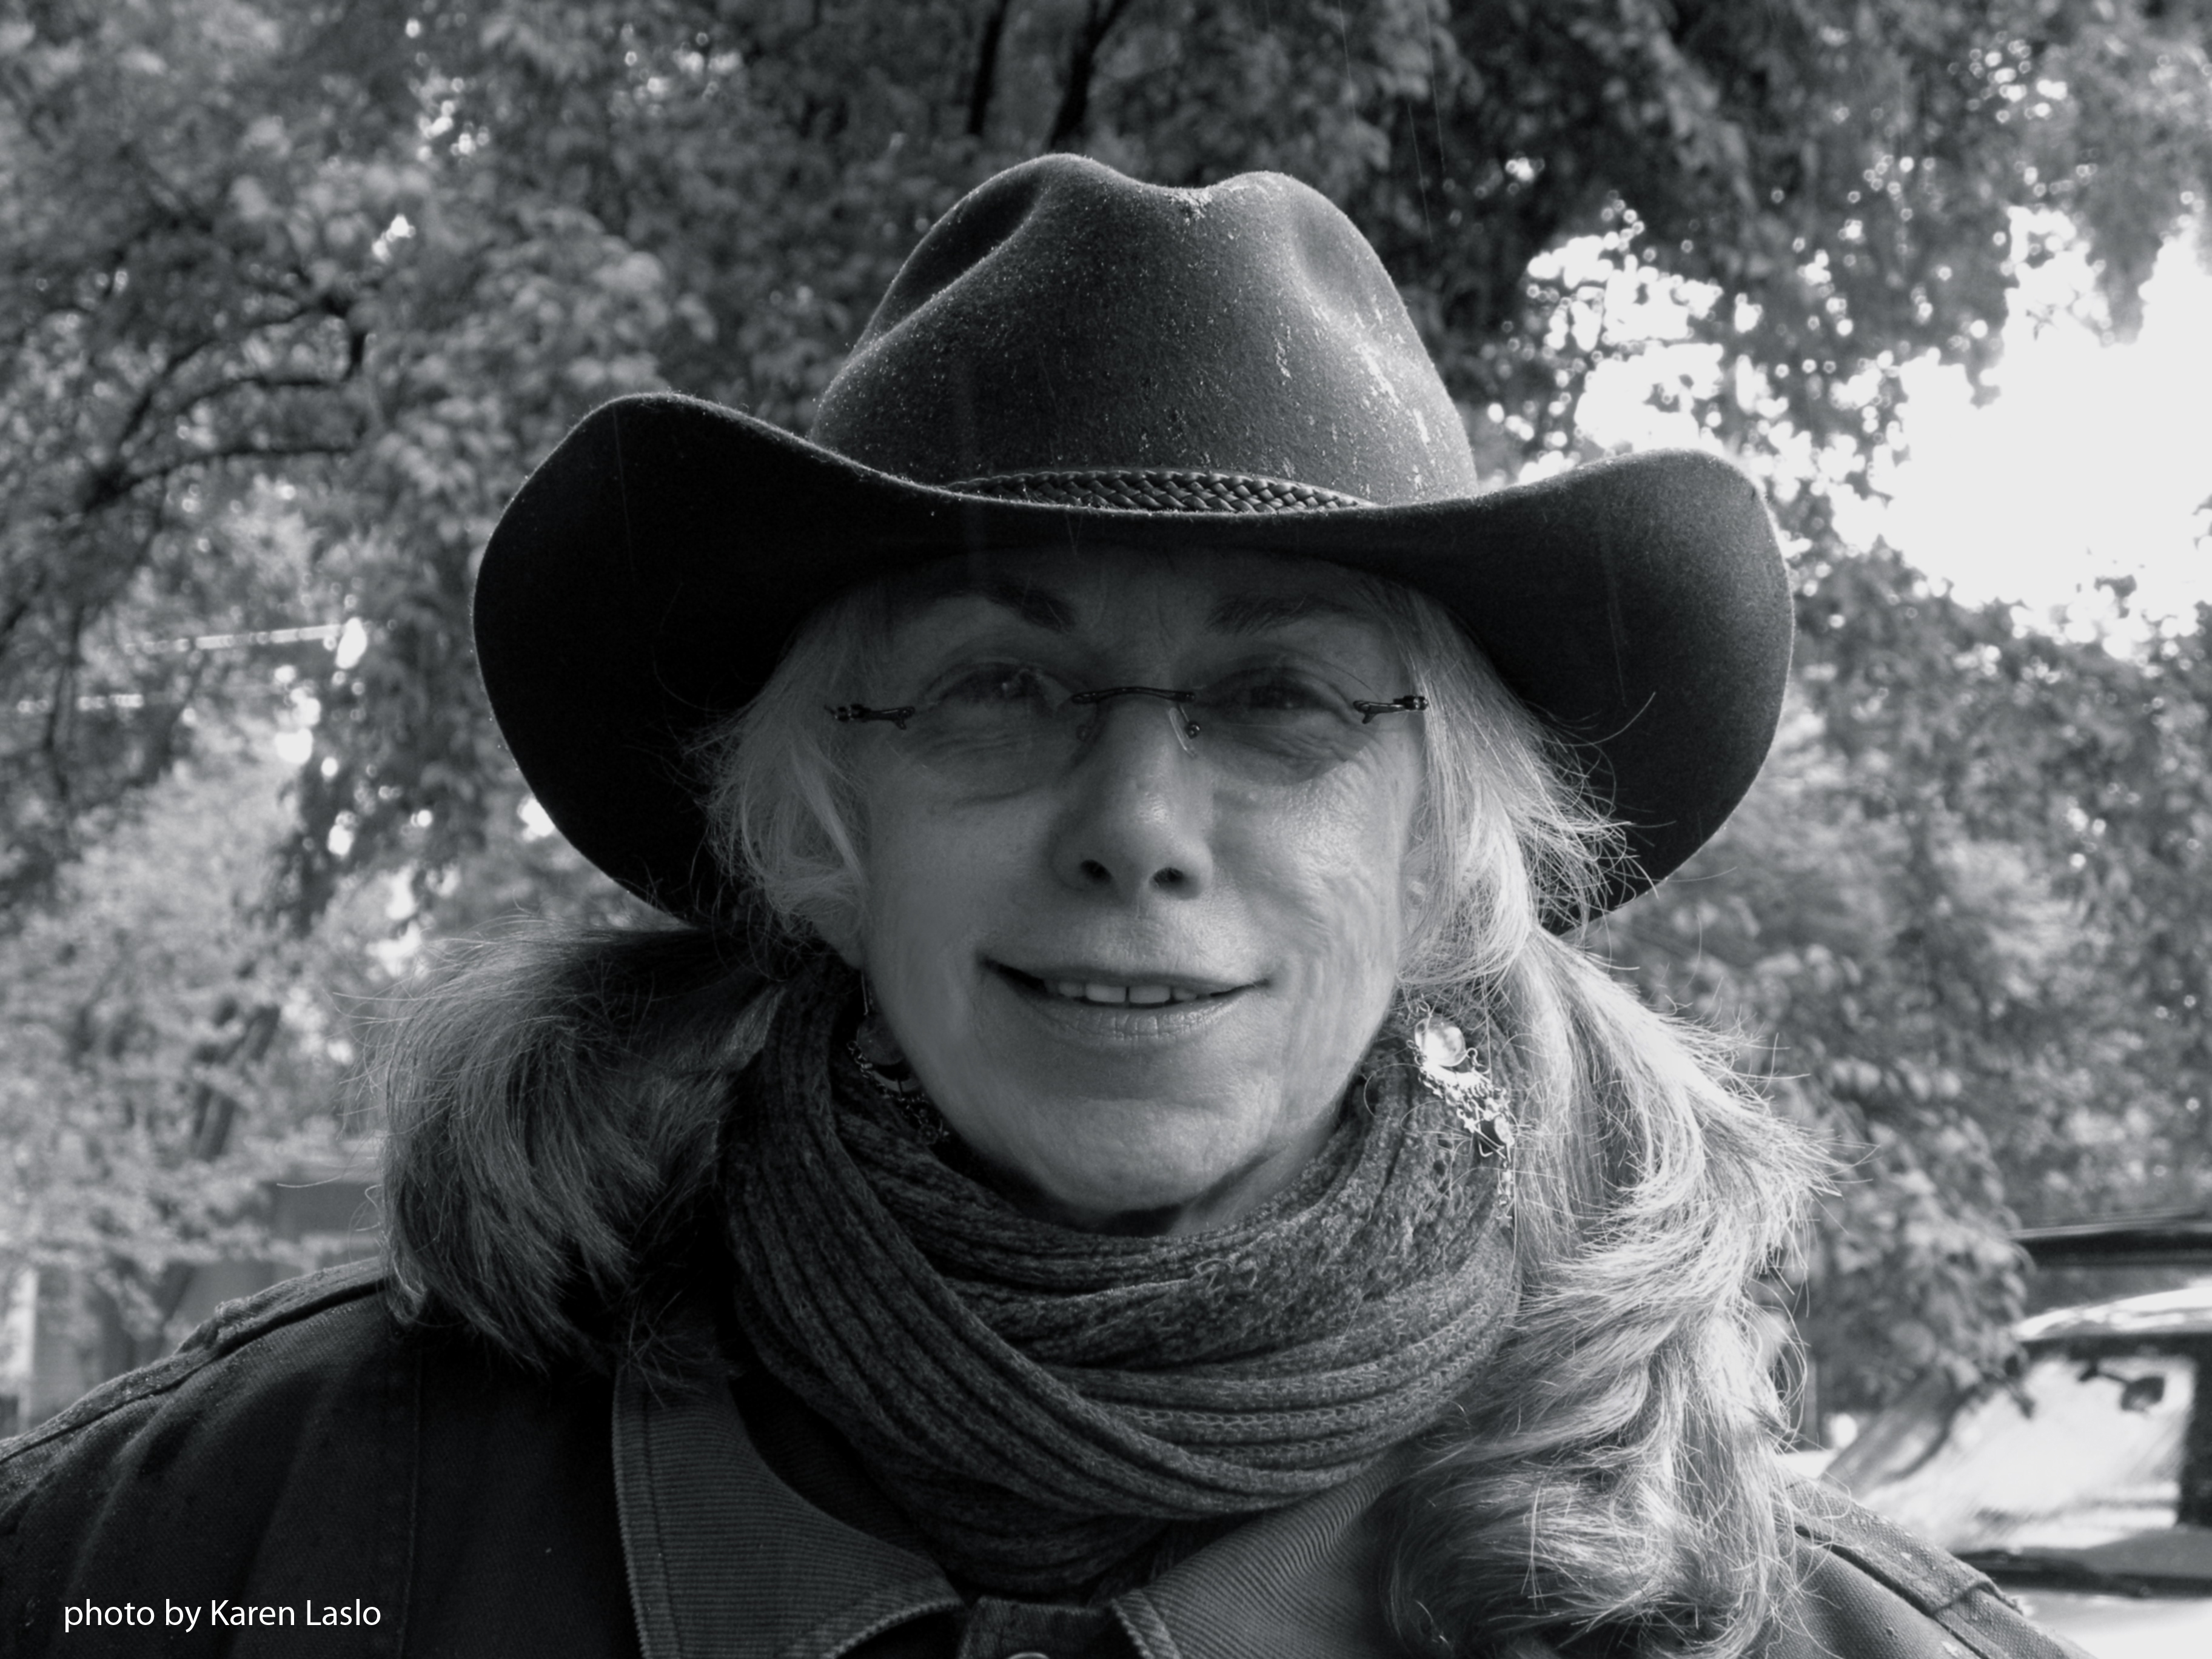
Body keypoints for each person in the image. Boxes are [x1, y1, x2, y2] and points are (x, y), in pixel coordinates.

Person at [0, 156, 2078, 1659]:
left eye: (1281, 699)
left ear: (1444, 853)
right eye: (998, 688)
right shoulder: (216, 1548)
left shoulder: (1791, 1632)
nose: (1136, 828)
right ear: (821, 831)